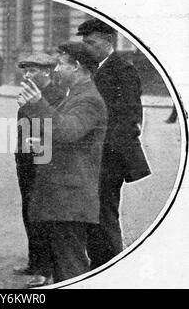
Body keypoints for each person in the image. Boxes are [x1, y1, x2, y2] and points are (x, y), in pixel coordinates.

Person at [18, 42, 107, 286]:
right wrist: (43, 142)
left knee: (71, 268)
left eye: (61, 65)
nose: (56, 70)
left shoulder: (89, 99)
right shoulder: (77, 95)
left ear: (76, 67)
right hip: (62, 197)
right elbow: (68, 137)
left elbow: (68, 131)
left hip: (69, 199)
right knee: (63, 266)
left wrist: (38, 102)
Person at [77, 19, 151, 269]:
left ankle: (110, 265)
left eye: (91, 42)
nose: (86, 47)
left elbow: (130, 116)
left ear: (108, 41)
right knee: (95, 210)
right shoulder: (96, 68)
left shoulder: (122, 69)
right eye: (84, 43)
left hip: (109, 156)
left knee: (104, 212)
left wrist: (101, 148)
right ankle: (99, 262)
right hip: (96, 155)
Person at [13, 53, 66, 278]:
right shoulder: (30, 94)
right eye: (25, 70)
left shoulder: (57, 96)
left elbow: (56, 129)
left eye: (32, 70)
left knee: (44, 215)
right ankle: (35, 262)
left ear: (47, 71)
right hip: (26, 160)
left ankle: (47, 269)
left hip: (45, 162)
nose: (26, 75)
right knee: (29, 213)